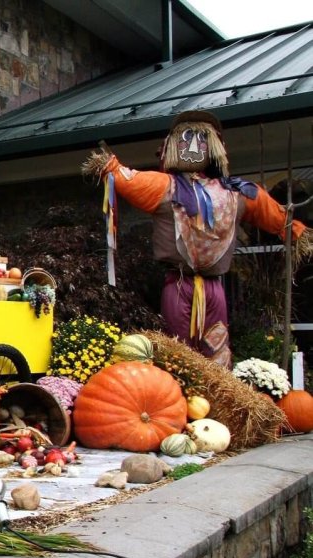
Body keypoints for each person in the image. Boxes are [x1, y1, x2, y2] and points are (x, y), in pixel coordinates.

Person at [82, 110, 310, 366]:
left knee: (217, 347)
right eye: (186, 138)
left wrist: (293, 231)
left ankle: (213, 400)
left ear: (213, 146)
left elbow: (271, 213)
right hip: (179, 283)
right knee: (179, 352)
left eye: (201, 139)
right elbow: (130, 181)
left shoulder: (236, 192)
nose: (192, 145)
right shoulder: (166, 186)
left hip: (212, 287)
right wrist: (111, 168)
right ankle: (183, 399)